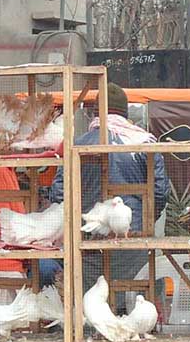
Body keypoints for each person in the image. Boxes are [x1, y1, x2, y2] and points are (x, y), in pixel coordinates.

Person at [41, 83, 170, 290]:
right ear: (125, 112)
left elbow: (59, 194)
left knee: (91, 308)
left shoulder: (78, 146)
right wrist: (140, 222)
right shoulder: (144, 143)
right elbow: (160, 193)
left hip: (88, 244)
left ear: (95, 112)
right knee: (136, 304)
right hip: (135, 244)